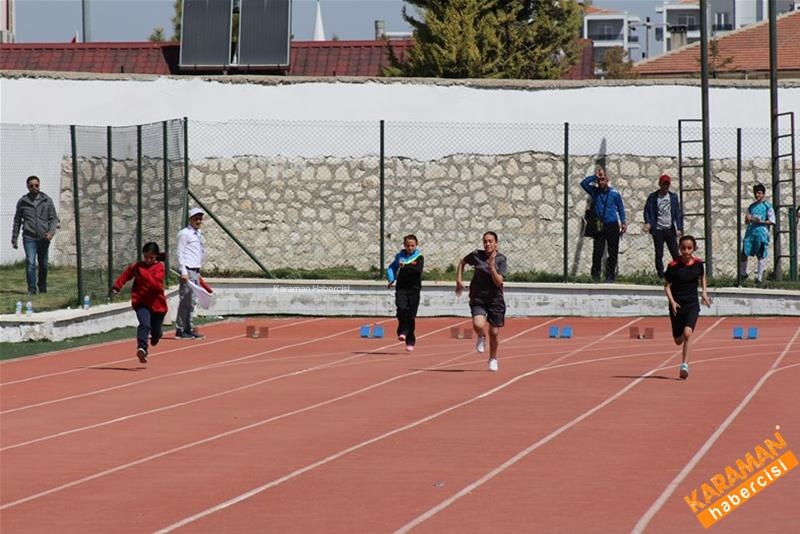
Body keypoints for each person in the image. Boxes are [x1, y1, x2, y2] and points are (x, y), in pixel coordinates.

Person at [455, 231, 507, 372]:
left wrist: (491, 268)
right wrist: (459, 280)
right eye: (485, 241)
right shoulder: (476, 255)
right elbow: (462, 262)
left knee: (494, 333)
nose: (487, 244)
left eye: (490, 241)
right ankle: (481, 336)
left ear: (496, 243)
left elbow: (499, 282)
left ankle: (493, 358)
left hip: (495, 299)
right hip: (478, 297)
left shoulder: (501, 259)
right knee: (478, 324)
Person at [111, 242, 168, 364]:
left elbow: (157, 286)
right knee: (144, 324)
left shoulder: (159, 267)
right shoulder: (137, 267)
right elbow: (126, 274)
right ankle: (142, 348)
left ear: (156, 257)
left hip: (158, 305)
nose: (148, 260)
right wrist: (117, 286)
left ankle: (156, 335)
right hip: (141, 302)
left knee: (155, 334)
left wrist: (144, 274)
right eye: (146, 257)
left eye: (151, 258)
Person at [664, 235, 711, 380]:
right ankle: (682, 342)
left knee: (688, 333)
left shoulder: (698, 264)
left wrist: (704, 293)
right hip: (677, 305)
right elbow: (666, 286)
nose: (686, 251)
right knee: (678, 340)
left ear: (694, 249)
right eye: (683, 248)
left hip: (692, 304)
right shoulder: (673, 266)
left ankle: (684, 364)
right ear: (679, 248)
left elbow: (702, 277)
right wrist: (672, 301)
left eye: (689, 248)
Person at [11, 175, 59, 295]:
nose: (34, 187)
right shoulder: (22, 202)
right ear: (27, 186)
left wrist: (51, 233)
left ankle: (42, 287)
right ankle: (32, 290)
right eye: (31, 185)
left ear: (39, 185)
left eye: (36, 185)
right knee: (31, 263)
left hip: (44, 238)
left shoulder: (47, 200)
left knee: (43, 264)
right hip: (29, 237)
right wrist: (14, 238)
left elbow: (54, 219)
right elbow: (17, 220)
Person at [581, 167, 627, 283]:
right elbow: (583, 183)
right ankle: (595, 276)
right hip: (599, 225)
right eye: (600, 180)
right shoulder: (594, 191)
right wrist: (595, 176)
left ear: (607, 180)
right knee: (597, 251)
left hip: (612, 225)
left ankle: (610, 276)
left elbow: (620, 208)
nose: (601, 182)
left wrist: (623, 222)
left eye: (603, 180)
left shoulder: (614, 193)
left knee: (613, 252)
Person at [387, 234, 424, 352]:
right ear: (404, 245)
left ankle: (410, 340)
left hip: (414, 289)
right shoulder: (400, 256)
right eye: (408, 245)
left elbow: (417, 271)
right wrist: (391, 278)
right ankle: (402, 330)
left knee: (411, 316)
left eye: (412, 245)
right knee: (401, 308)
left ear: (416, 245)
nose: (410, 248)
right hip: (402, 288)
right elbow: (392, 267)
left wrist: (405, 266)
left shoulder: (419, 257)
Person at [643, 173, 683, 279]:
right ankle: (660, 274)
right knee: (659, 253)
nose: (665, 187)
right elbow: (647, 210)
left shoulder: (673, 197)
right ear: (659, 184)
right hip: (658, 229)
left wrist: (678, 228)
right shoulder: (653, 197)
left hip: (669, 229)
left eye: (667, 184)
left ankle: (677, 273)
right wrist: (648, 222)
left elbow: (677, 214)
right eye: (663, 184)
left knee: (675, 252)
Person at [175, 207, 206, 339]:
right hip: (188, 270)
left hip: (195, 270)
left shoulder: (198, 234)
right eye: (195, 218)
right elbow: (179, 252)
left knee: (192, 302)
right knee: (185, 301)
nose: (198, 221)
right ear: (190, 219)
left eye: (200, 219)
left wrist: (198, 271)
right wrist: (183, 270)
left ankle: (189, 327)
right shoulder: (184, 234)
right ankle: (180, 329)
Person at [739, 183, 775, 288]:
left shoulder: (767, 206)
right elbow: (746, 220)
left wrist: (761, 222)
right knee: (744, 252)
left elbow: (772, 221)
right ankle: (743, 274)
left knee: (761, 254)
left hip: (761, 233)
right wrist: (750, 219)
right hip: (750, 233)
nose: (757, 195)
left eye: (759, 193)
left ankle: (759, 278)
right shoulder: (751, 206)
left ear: (763, 194)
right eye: (756, 193)